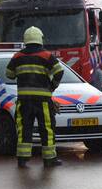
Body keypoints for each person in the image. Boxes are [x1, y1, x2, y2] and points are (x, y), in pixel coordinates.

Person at [6, 26, 64, 169]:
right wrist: (52, 86)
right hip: (43, 99)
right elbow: (59, 71)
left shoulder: (17, 56)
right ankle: (49, 159)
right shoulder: (47, 55)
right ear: (40, 39)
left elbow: (9, 74)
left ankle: (22, 159)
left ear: (26, 40)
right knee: (47, 129)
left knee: (24, 128)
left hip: (24, 100)